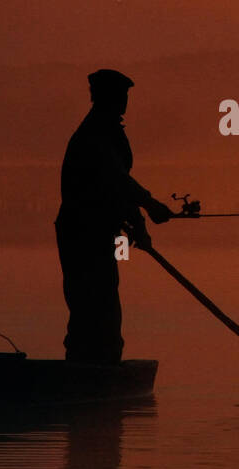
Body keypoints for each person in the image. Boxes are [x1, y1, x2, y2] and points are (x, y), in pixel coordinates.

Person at [56, 69, 174, 364]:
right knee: (92, 305)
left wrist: (139, 225)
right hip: (81, 234)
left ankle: (99, 368)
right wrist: (151, 204)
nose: (124, 102)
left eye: (125, 97)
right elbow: (116, 179)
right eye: (119, 96)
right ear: (102, 97)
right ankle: (90, 373)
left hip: (97, 233)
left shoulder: (108, 131)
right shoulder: (94, 134)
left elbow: (117, 189)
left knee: (103, 304)